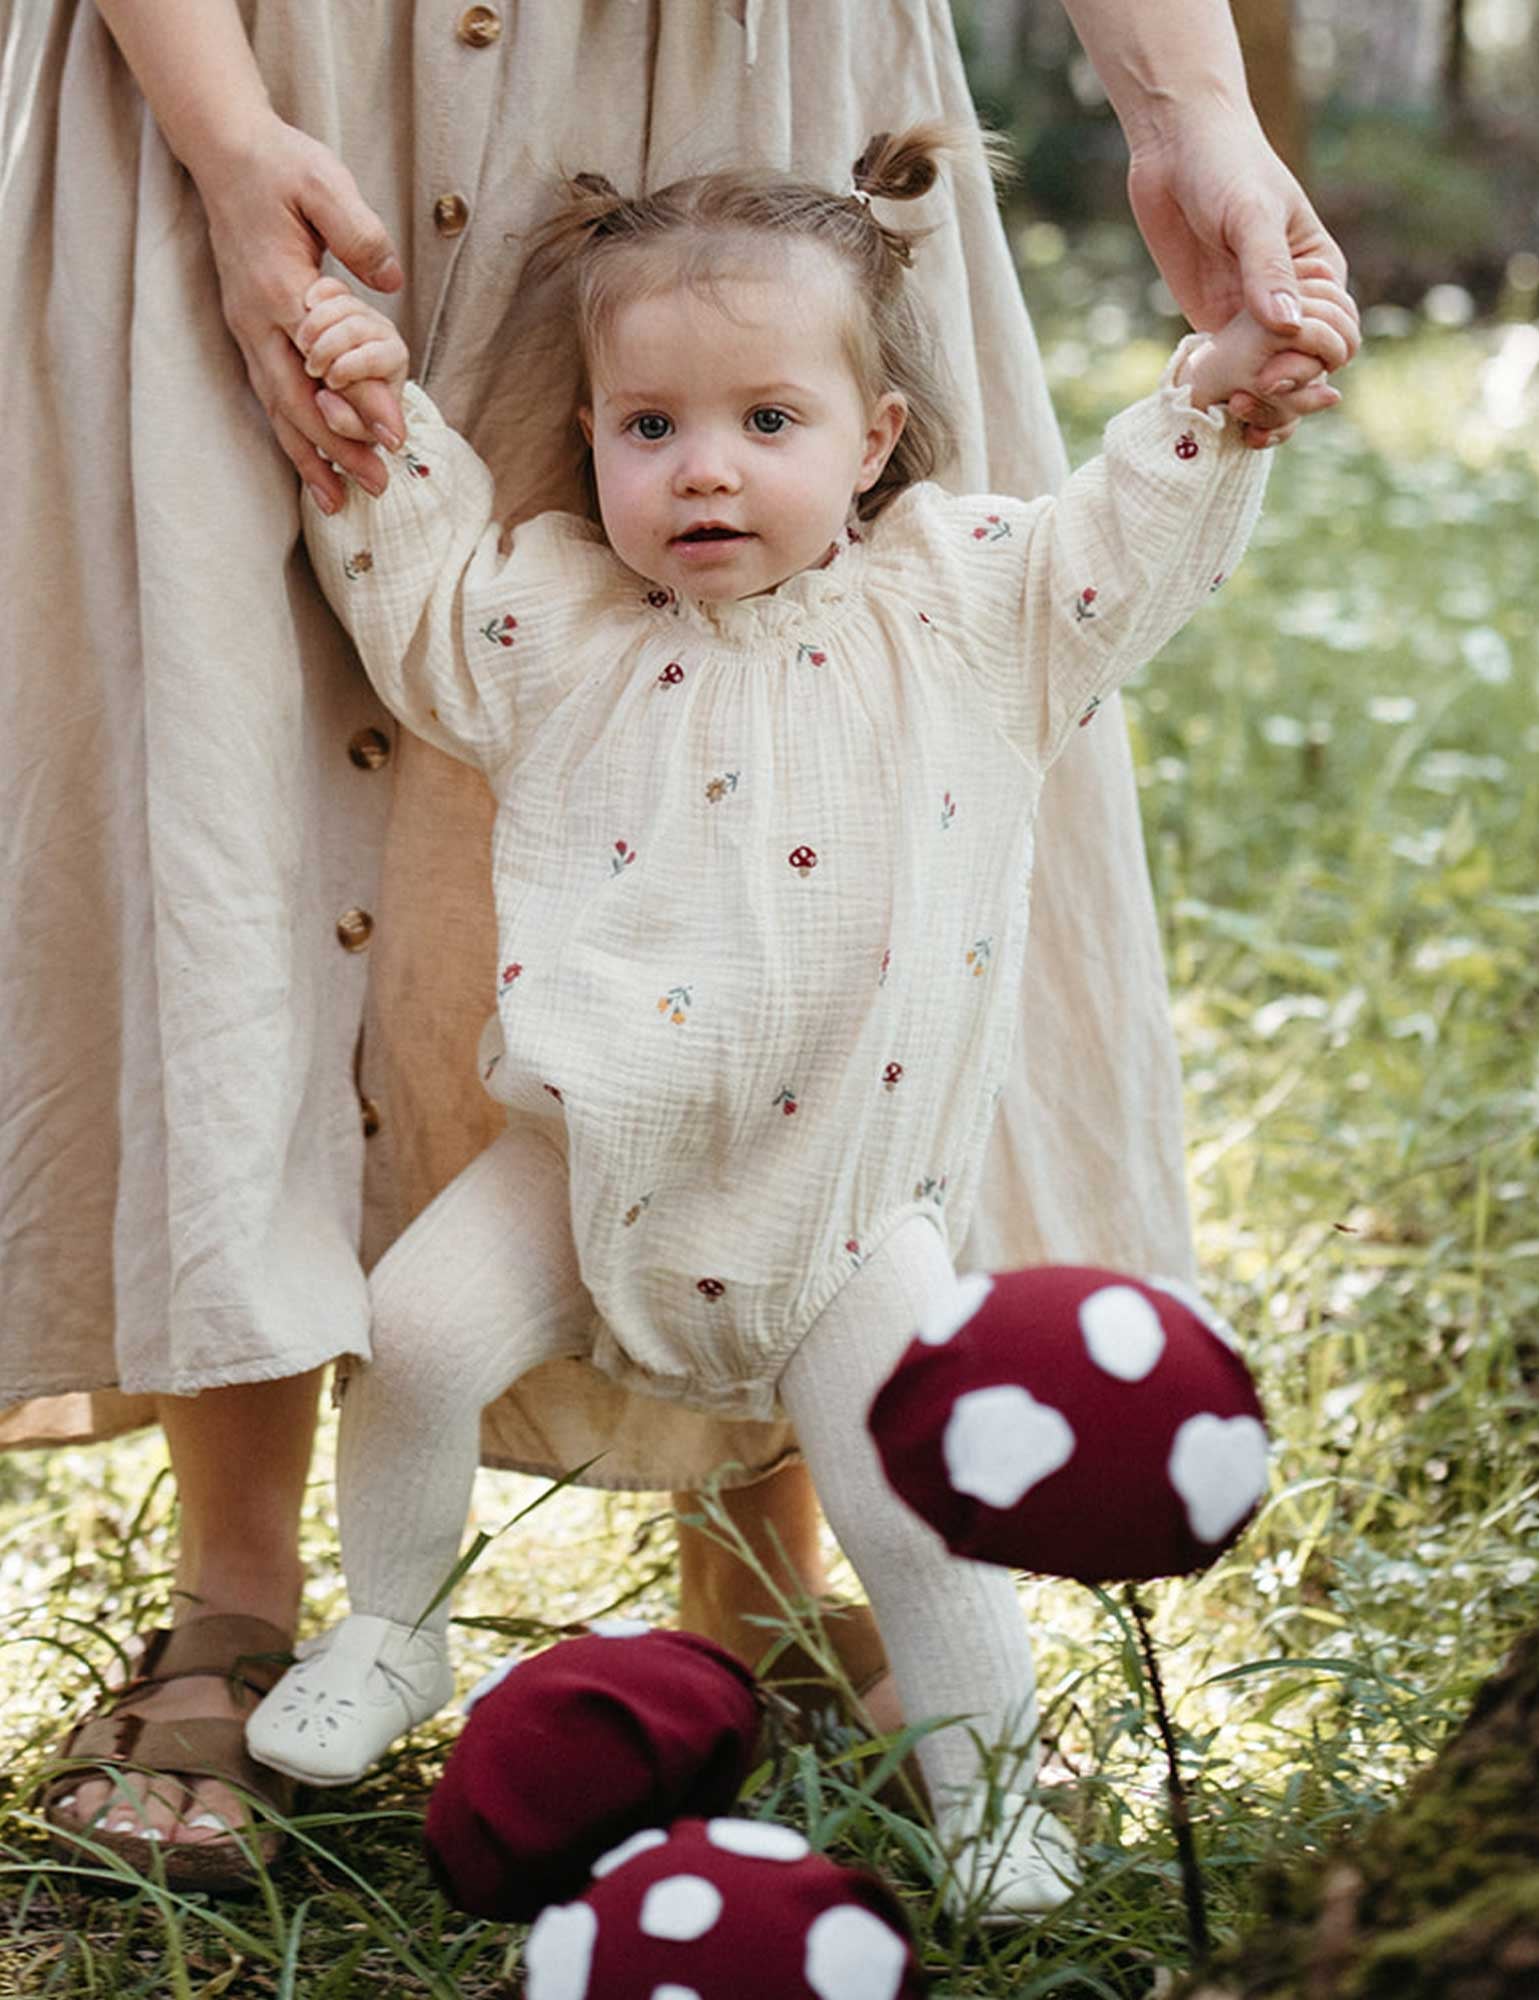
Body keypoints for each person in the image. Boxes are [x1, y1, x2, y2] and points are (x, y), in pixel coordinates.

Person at [6, 0, 1357, 1884]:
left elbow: (1127, 542)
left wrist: (1225, 395)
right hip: (584, 1174)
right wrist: (370, 405)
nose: (703, 471)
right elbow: (417, 592)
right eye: (650, 430)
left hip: (835, 1210)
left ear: (881, 437)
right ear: (588, 442)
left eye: (767, 424)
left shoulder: (968, 606)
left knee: (909, 1499)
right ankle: (377, 1624)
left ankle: (983, 1794)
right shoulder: (560, 617)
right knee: (413, 1334)